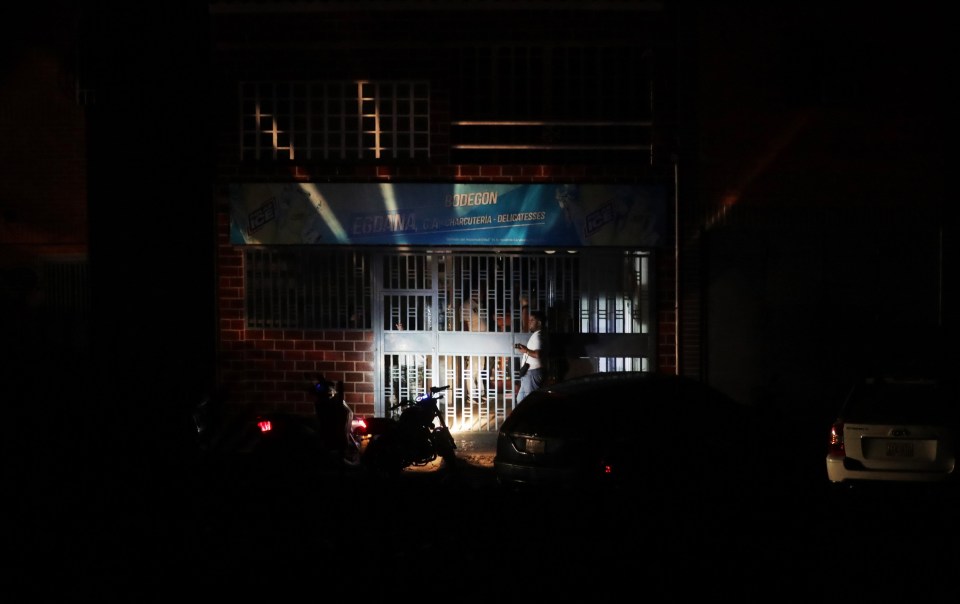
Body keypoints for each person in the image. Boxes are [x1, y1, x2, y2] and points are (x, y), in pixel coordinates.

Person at [515, 309, 547, 403]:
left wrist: (526, 350)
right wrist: (525, 350)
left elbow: (538, 354)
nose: (529, 322)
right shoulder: (539, 335)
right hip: (529, 373)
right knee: (520, 399)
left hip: (532, 373)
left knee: (530, 401)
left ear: (539, 323)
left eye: (532, 320)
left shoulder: (538, 336)